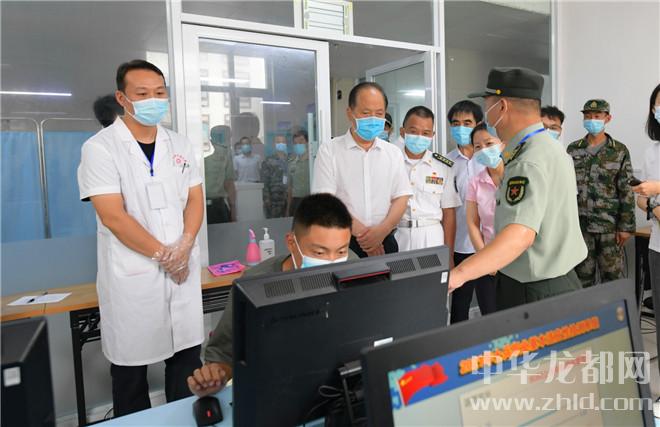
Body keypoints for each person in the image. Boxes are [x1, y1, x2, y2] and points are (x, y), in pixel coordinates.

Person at [77, 60, 205, 416]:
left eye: (160, 93)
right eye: (143, 93)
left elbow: (195, 199)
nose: (154, 100)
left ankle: (184, 420)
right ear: (123, 98)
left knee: (186, 363)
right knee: (131, 373)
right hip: (134, 276)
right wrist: (167, 256)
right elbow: (113, 216)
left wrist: (185, 245)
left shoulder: (179, 144)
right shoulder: (101, 148)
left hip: (181, 270)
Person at [186, 193, 359, 396]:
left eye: (341, 251)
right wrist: (217, 375)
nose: (331, 261)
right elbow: (223, 355)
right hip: (278, 390)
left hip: (341, 387)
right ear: (291, 243)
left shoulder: (353, 266)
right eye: (319, 253)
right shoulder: (256, 284)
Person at [449, 67, 587, 310]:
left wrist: (459, 274)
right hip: (560, 281)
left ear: (501, 106)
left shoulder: (527, 160)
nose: (487, 115)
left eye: (487, 105)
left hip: (533, 290)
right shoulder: (550, 148)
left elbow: (519, 236)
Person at [312, 82, 412, 258]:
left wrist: (382, 232)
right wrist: (366, 238)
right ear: (350, 113)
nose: (373, 119)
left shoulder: (393, 153)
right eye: (366, 113)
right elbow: (325, 201)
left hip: (385, 240)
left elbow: (401, 197)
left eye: (379, 113)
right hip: (342, 243)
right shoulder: (330, 150)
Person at [566, 99, 636, 288]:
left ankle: (613, 309)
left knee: (612, 279)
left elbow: (626, 189)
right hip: (580, 227)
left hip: (609, 227)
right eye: (588, 116)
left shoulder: (619, 150)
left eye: (597, 116)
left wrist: (626, 227)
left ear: (608, 118)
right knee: (581, 279)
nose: (592, 120)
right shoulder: (573, 149)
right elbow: (565, 186)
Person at [394, 106, 461, 259]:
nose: (419, 137)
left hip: (431, 236)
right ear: (402, 132)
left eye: (425, 133)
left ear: (432, 135)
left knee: (433, 275)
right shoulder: (391, 162)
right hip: (398, 235)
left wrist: (449, 255)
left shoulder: (443, 166)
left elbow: (449, 213)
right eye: (413, 131)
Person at [445, 100, 487, 323]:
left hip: (489, 245)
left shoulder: (490, 159)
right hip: (460, 244)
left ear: (478, 124)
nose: (461, 128)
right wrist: (449, 252)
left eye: (467, 123)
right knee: (459, 307)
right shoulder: (445, 163)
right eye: (456, 123)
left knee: (491, 304)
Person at [632, 83, 660, 380]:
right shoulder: (651, 152)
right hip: (657, 247)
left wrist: (656, 190)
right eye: (658, 104)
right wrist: (651, 204)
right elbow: (641, 197)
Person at [462, 123, 502, 318]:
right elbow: (472, 223)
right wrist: (487, 258)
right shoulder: (475, 182)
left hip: (518, 261)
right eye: (477, 146)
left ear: (502, 143)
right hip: (488, 262)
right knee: (491, 318)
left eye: (489, 143)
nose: (483, 150)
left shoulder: (517, 174)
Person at [204, 125, 236, 223]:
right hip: (216, 207)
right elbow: (229, 184)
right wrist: (233, 210)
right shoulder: (226, 159)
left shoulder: (204, 160)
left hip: (209, 205)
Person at [261, 133, 289, 218]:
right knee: (273, 223)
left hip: (288, 199)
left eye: (283, 142)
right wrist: (266, 199)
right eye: (278, 142)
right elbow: (264, 181)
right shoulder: (268, 161)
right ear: (274, 144)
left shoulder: (291, 160)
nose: (281, 144)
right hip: (273, 200)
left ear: (286, 144)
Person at [287, 129, 311, 216]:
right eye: (295, 143)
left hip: (311, 201)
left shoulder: (314, 161)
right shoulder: (291, 163)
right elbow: (290, 188)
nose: (298, 145)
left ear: (308, 143)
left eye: (301, 142)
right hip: (296, 202)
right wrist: (288, 208)